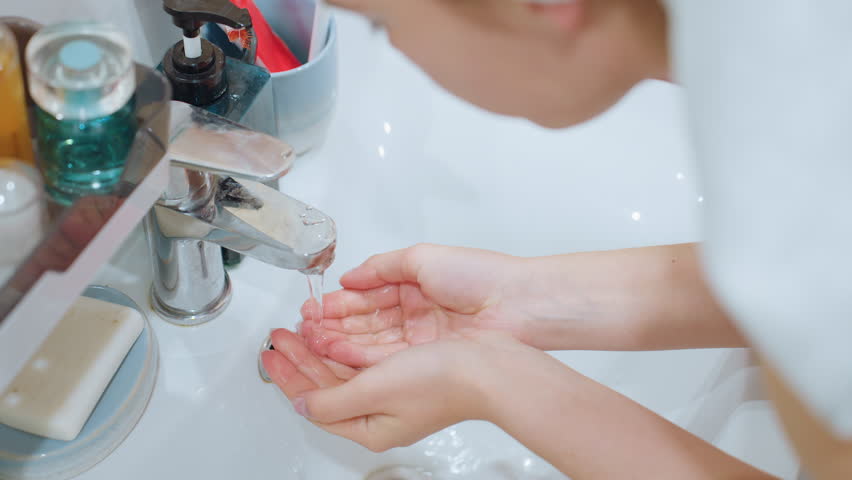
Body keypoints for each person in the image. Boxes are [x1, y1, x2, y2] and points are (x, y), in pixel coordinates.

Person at [262, 1, 852, 478]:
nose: (393, 52)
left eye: (385, 25)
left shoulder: (797, 178)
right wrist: (521, 298)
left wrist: (494, 382)